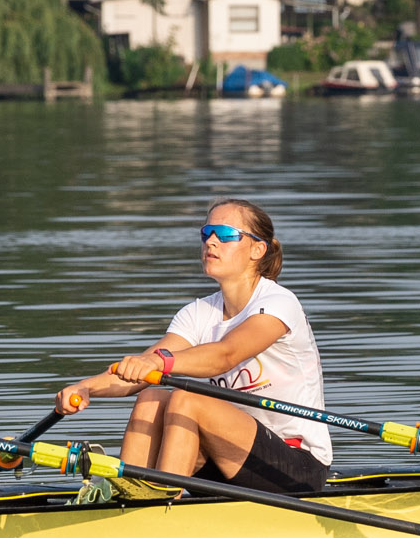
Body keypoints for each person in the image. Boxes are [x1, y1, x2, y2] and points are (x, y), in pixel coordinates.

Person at [57, 199, 330, 494]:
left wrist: (159, 363)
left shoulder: (278, 303)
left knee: (187, 400)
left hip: (295, 467)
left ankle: (160, 499)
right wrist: (85, 388)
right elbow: (143, 367)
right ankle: (131, 496)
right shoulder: (198, 313)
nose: (211, 241)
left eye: (225, 234)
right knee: (152, 396)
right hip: (230, 457)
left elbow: (225, 355)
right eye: (206, 233)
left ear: (257, 249)